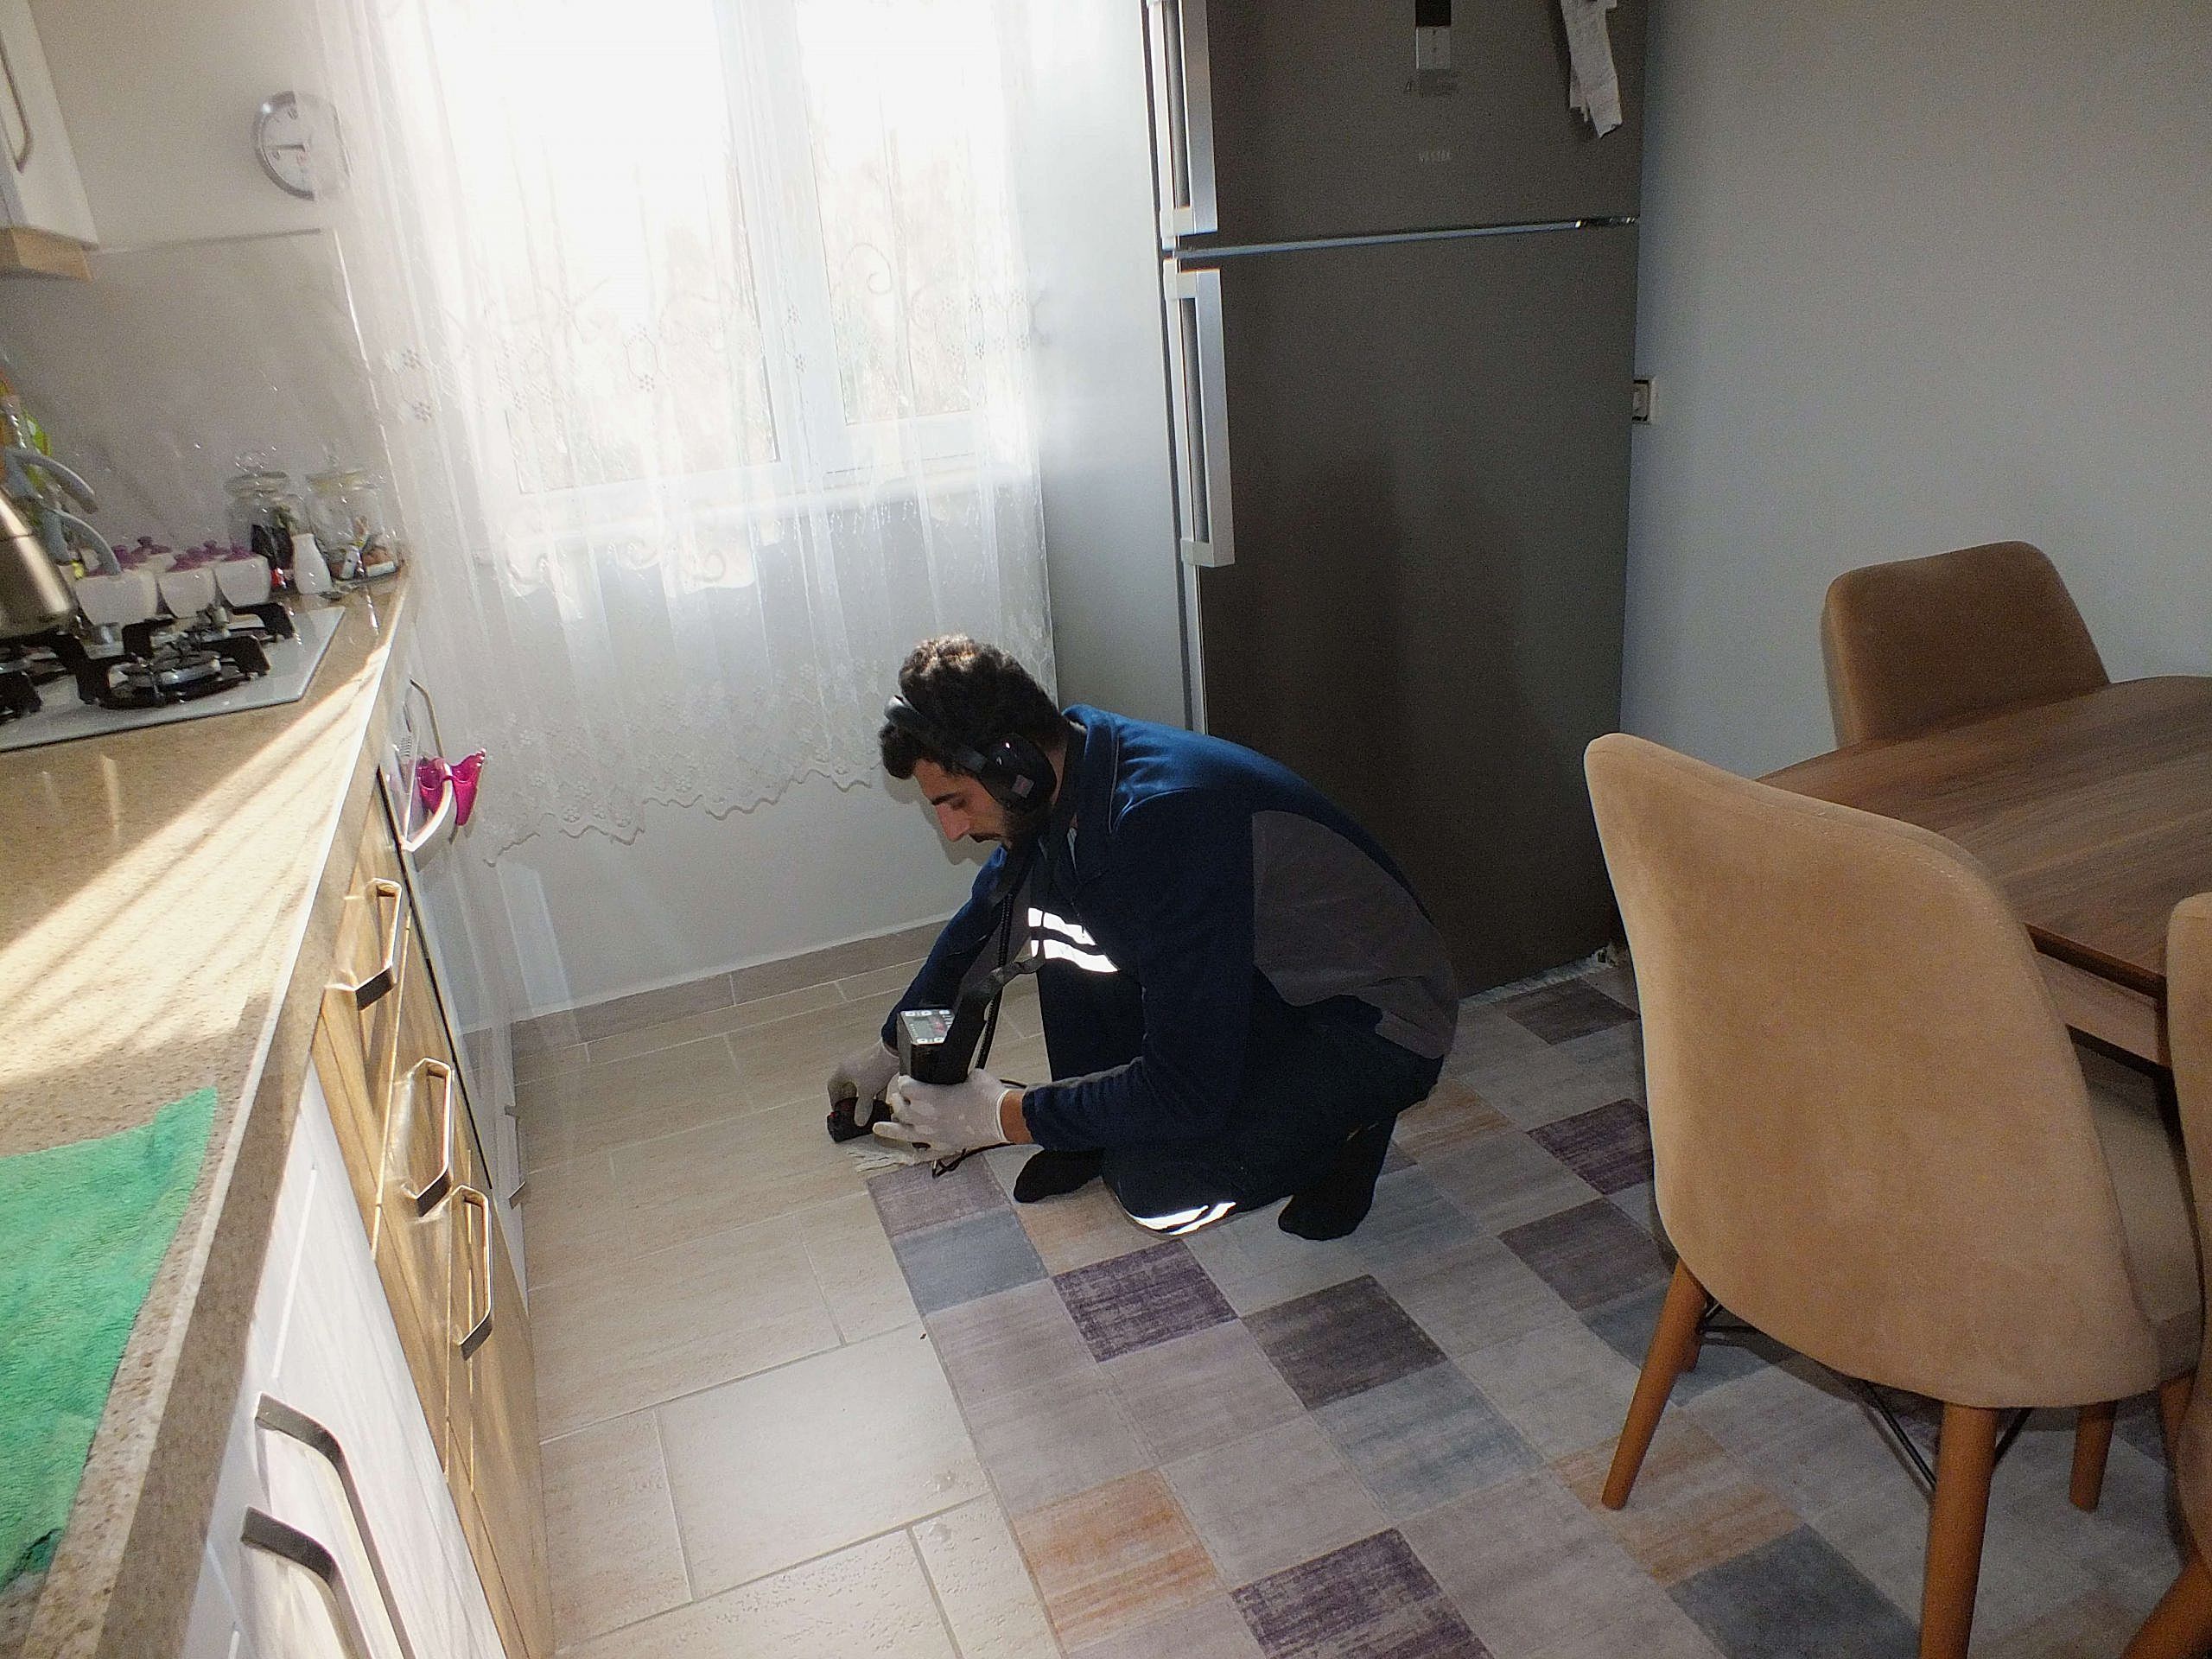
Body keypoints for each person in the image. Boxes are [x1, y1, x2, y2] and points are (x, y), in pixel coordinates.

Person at [824, 634, 1459, 1241]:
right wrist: (889, 1048)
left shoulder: (1169, 823)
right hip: (1254, 979)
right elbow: (988, 922)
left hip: (1370, 1017)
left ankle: (1345, 1127)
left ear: (1014, 765)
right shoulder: (1073, 772)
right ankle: (1089, 1138)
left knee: (1158, 1184)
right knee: (1059, 912)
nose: (952, 829)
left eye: (956, 801)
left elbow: (1186, 1090)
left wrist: (1006, 1117)